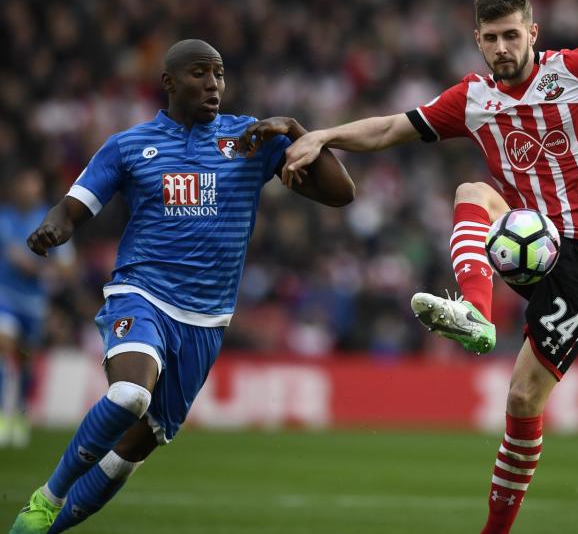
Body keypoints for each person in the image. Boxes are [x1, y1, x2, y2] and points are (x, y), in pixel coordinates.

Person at [246, 0, 578, 533]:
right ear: (477, 40)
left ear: (532, 34)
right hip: (533, 243)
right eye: (490, 38)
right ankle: (475, 312)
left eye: (512, 35)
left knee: (521, 396)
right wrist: (323, 134)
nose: (501, 47)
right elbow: (391, 128)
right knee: (473, 191)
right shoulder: (473, 99)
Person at [9, 39, 355, 534]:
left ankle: (41, 529)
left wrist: (299, 132)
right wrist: (51, 232)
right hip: (141, 292)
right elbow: (72, 208)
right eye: (199, 73)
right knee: (130, 395)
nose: (213, 84)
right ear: (169, 82)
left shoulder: (250, 141)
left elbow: (341, 194)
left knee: (136, 447)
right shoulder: (129, 145)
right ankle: (47, 497)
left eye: (218, 74)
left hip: (207, 320)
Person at [0, 169, 75, 448]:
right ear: (15, 187)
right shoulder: (4, 218)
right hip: (4, 297)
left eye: (34, 184)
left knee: (26, 360)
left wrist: (43, 268)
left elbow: (68, 267)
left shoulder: (51, 219)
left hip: (35, 304)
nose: (29, 189)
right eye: (24, 183)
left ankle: (19, 413)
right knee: (4, 348)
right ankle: (2, 417)